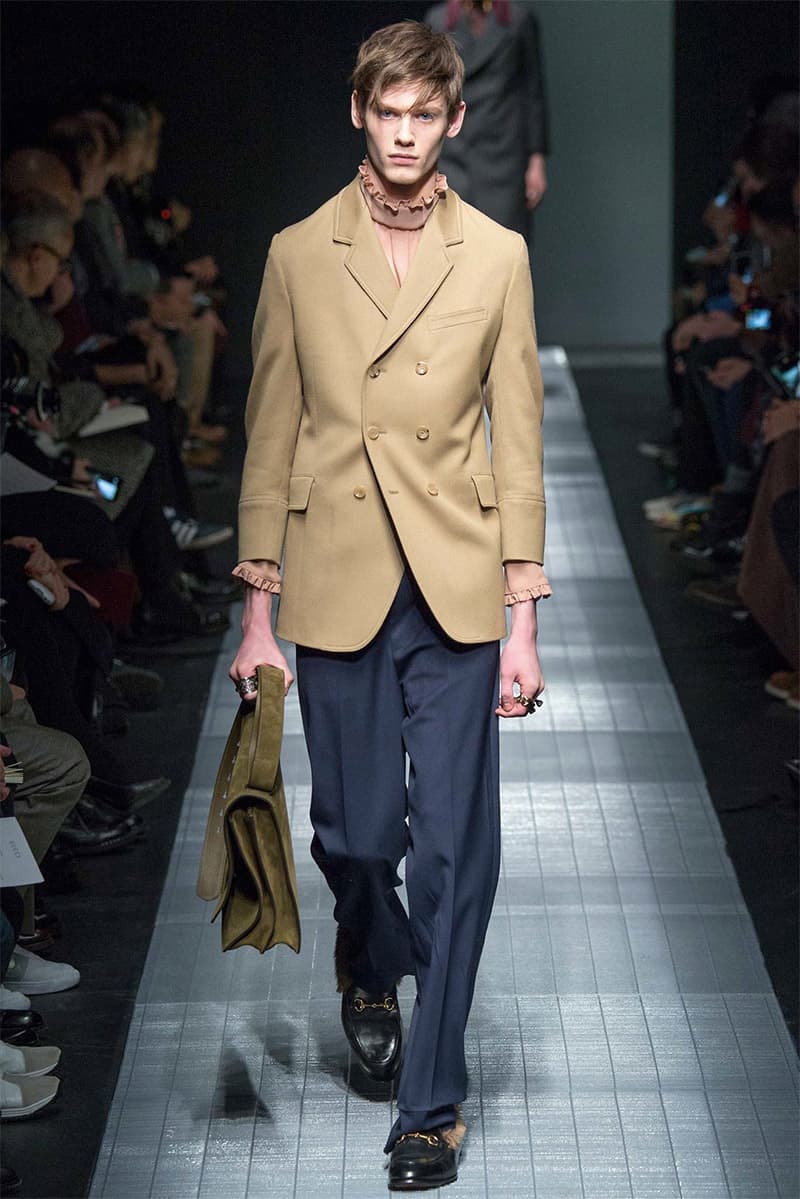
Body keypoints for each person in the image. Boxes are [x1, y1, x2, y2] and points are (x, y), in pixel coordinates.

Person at [229, 21, 550, 1192]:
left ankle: (431, 1103)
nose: (405, 134)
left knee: (457, 853)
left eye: (425, 114)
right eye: (388, 112)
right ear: (358, 114)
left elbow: (517, 439)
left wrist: (522, 614)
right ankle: (368, 957)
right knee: (357, 836)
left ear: (453, 120)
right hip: (338, 576)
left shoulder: (497, 256)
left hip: (455, 586)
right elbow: (270, 432)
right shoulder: (297, 253)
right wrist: (256, 610)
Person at [425, 0, 549, 234]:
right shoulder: (439, 20)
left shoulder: (518, 20)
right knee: (453, 238)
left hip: (504, 157)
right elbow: (428, 91)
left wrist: (536, 161)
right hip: (453, 153)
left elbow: (533, 92)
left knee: (503, 240)